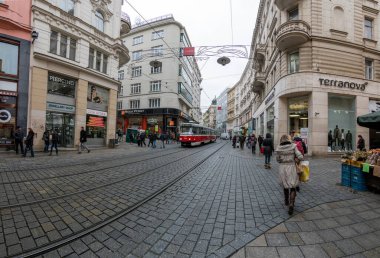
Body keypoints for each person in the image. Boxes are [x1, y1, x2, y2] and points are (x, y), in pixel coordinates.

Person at [276, 134, 304, 215]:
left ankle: (286, 201)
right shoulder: (293, 146)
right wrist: (296, 159)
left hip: (283, 168)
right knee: (293, 186)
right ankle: (291, 204)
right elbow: (301, 157)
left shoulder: (279, 148)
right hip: (292, 167)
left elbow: (278, 160)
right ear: (288, 139)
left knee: (285, 185)